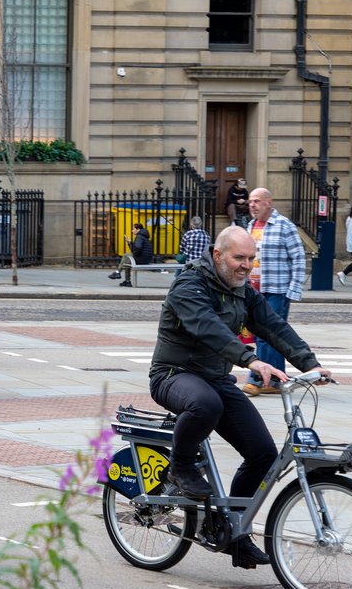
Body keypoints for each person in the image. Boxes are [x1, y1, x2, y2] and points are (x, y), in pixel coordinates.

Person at [150, 225, 330, 569]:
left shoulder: (241, 290)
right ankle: (180, 467)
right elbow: (208, 327)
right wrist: (250, 359)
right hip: (173, 375)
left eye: (251, 258)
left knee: (262, 454)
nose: (247, 266)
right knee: (206, 404)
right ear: (218, 255)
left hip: (215, 377)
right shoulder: (189, 284)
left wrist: (311, 364)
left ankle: (234, 533)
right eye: (239, 258)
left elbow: (273, 325)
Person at [242, 188, 306, 397]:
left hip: (277, 289)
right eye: (251, 201)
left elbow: (298, 257)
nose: (252, 205)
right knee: (272, 336)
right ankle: (277, 379)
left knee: (266, 334)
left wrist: (294, 289)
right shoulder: (251, 226)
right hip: (254, 290)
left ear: (269, 203)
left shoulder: (284, 226)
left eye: (257, 201)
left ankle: (259, 378)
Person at [110, 222, 152, 287]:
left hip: (142, 259)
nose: (132, 231)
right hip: (146, 259)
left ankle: (117, 272)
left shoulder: (139, 237)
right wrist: (129, 242)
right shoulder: (144, 236)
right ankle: (127, 281)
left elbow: (137, 248)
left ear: (138, 229)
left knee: (126, 255)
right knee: (127, 261)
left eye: (133, 229)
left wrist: (134, 253)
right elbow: (137, 247)